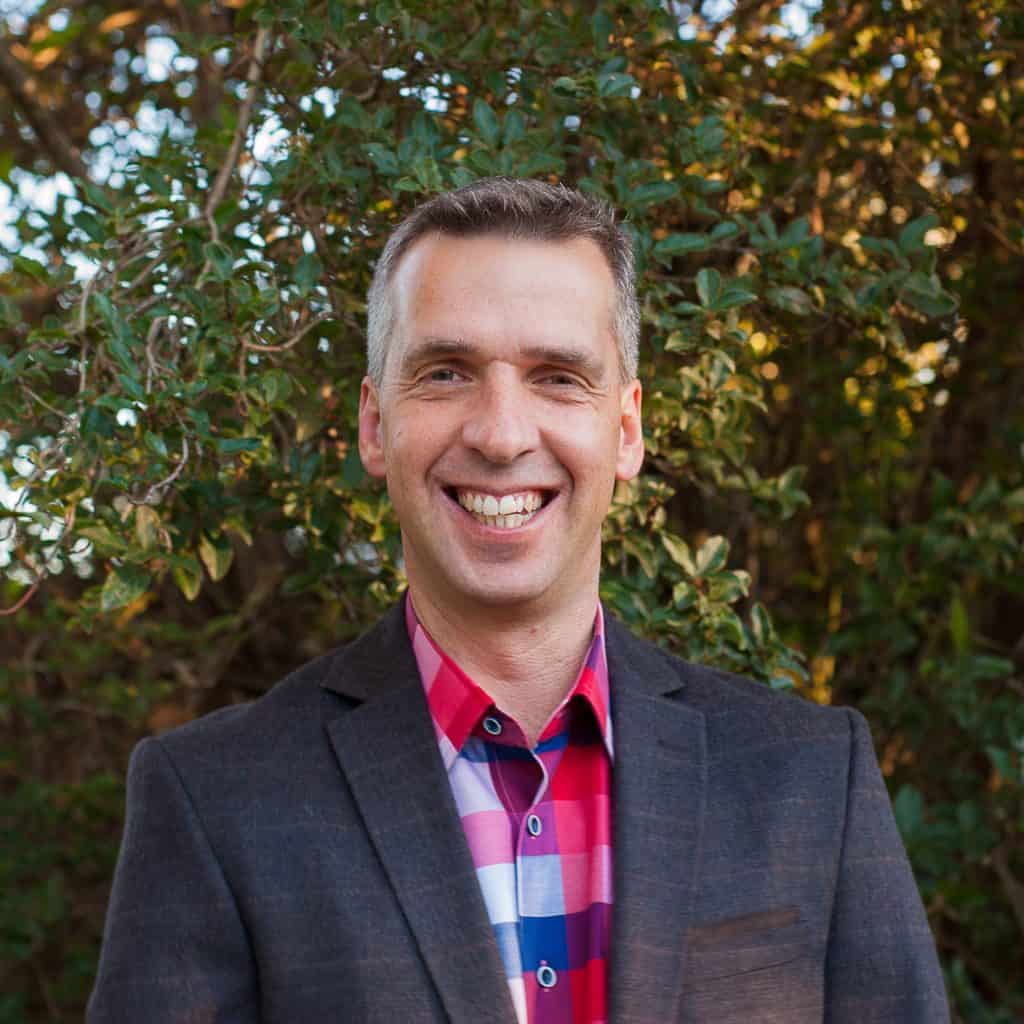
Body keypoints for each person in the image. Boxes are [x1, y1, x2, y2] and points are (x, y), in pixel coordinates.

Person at [88, 177, 949, 1023]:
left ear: (626, 429)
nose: (501, 434)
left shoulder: (809, 774)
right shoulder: (215, 798)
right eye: (447, 372)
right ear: (375, 425)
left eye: (559, 377)